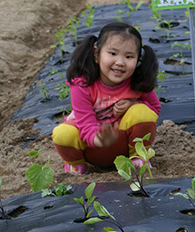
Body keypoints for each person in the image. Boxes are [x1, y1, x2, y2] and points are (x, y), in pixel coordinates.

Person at [52, 22, 160, 174]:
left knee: (142, 112)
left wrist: (133, 103)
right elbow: (85, 124)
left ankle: (138, 158)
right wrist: (99, 140)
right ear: (96, 54)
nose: (120, 62)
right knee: (63, 134)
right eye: (113, 54)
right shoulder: (82, 84)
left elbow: (155, 109)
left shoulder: (138, 82)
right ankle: (76, 165)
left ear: (138, 59)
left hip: (123, 144)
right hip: (92, 147)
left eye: (129, 56)